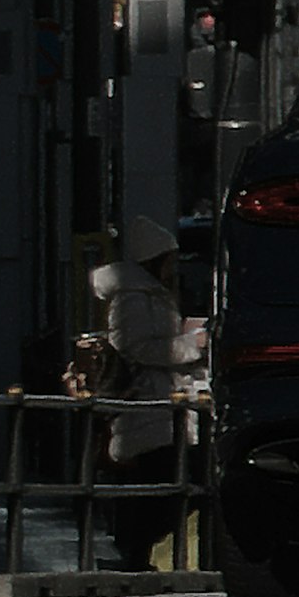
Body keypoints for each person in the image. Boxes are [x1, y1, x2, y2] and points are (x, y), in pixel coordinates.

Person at [72, 214, 202, 570]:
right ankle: (134, 556)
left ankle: (137, 556)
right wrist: (192, 344)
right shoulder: (133, 296)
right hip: (144, 406)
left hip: (157, 407)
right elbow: (137, 347)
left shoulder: (148, 294)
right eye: (170, 262)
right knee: (154, 485)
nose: (174, 269)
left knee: (157, 485)